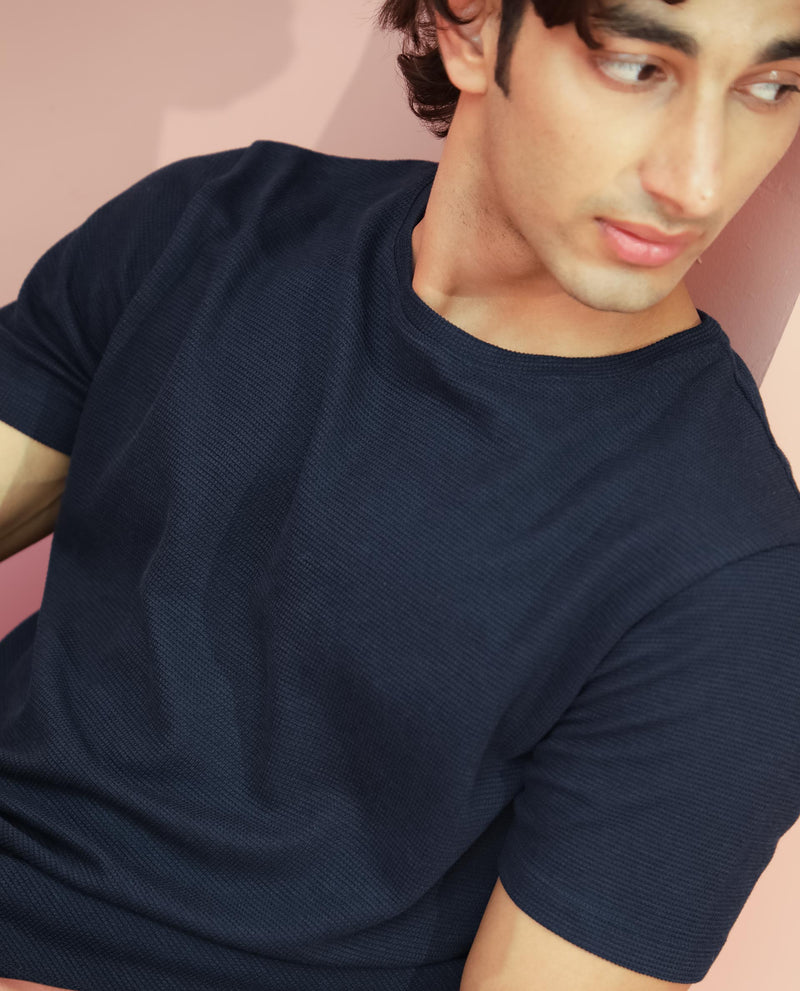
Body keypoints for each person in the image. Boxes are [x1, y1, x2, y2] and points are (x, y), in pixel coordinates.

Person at [1, 0, 799, 988]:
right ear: (470, 28)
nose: (697, 182)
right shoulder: (213, 223)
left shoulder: (734, 576)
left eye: (771, 87)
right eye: (638, 69)